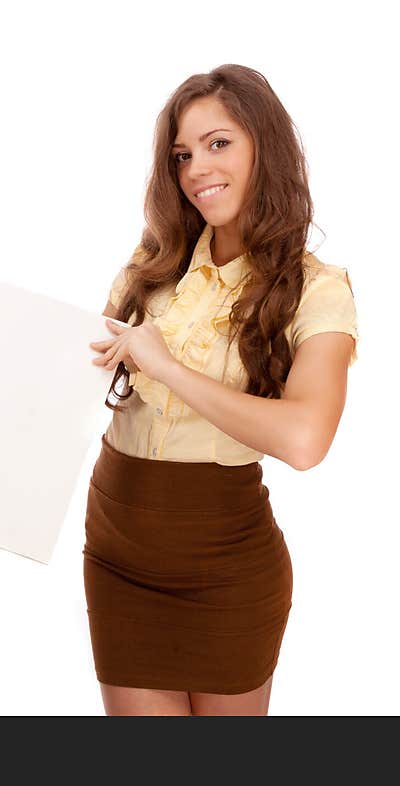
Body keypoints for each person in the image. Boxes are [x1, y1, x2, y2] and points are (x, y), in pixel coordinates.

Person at [85, 65, 357, 716]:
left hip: (226, 570)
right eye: (182, 154)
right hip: (118, 557)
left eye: (218, 143)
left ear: (266, 145)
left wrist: (171, 367)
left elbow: (304, 439)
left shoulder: (316, 289)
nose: (196, 168)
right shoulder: (149, 268)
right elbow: (64, 394)